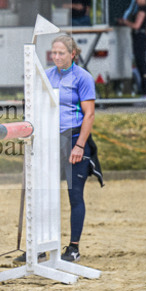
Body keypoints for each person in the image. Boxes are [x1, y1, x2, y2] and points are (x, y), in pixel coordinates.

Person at [46, 35, 103, 263]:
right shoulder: (47, 76)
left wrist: (80, 145)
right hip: (51, 141)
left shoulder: (83, 78)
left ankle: (73, 247)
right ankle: (41, 246)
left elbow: (89, 114)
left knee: (74, 194)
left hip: (75, 139)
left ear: (72, 55)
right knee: (44, 194)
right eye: (54, 53)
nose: (56, 57)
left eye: (61, 53)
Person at [118, 0, 146, 96]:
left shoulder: (142, 9)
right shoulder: (139, 9)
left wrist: (125, 22)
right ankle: (143, 91)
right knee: (139, 64)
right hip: (137, 37)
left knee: (141, 65)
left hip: (140, 37)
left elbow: (137, 25)